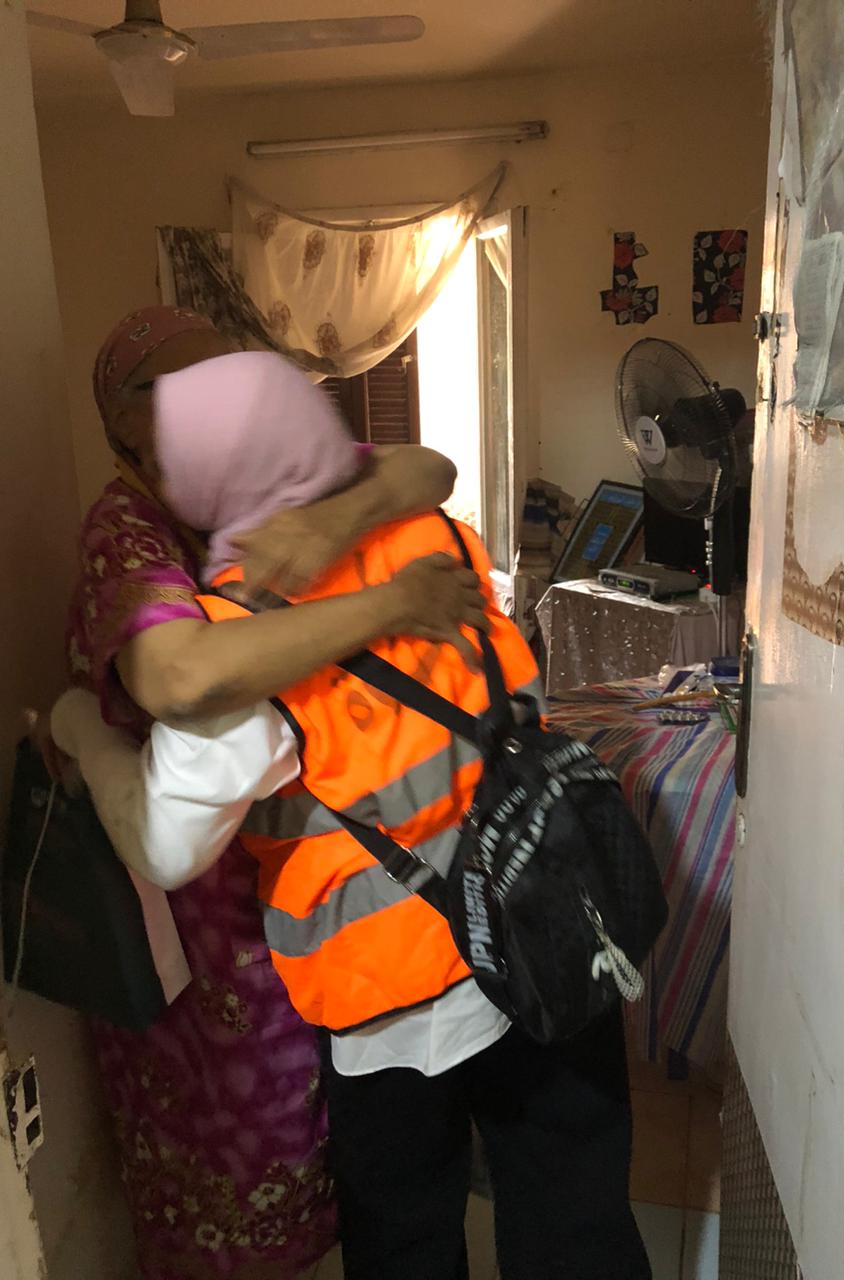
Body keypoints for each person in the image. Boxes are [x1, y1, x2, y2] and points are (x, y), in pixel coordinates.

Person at [54, 349, 651, 1280]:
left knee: (408, 1240)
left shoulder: (243, 645)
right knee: (578, 1223)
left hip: (394, 1017)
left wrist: (80, 729)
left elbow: (165, 846)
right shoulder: (438, 535)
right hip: (550, 935)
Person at [57, 307, 486, 1280]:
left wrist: (331, 519)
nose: (209, 399)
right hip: (197, 911)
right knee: (218, 1152)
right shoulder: (129, 528)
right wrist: (390, 600)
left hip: (305, 892)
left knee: (337, 1155)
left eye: (225, 376)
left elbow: (426, 467)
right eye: (172, 388)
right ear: (121, 422)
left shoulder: (259, 463)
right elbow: (179, 674)